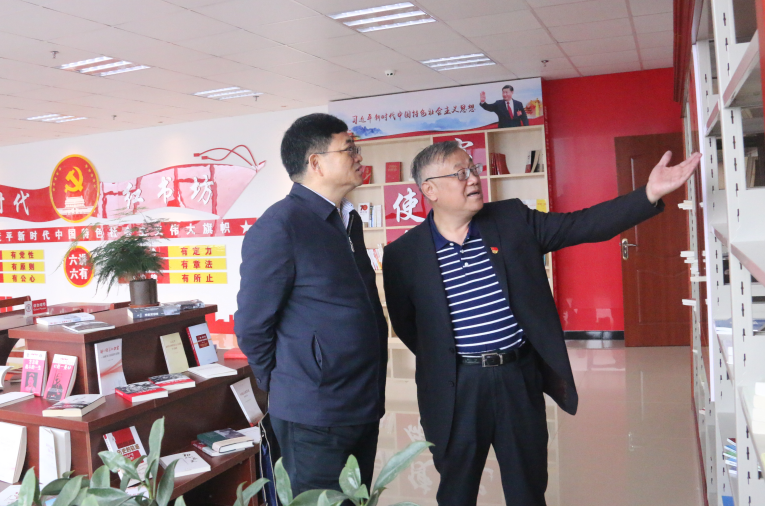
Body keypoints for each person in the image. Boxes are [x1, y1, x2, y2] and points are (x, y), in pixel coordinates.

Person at [382, 141, 701, 506]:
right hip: (456, 387)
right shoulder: (403, 255)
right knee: (456, 491)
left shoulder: (511, 220)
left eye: (473, 168)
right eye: (460, 173)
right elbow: (410, 326)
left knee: (528, 489)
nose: (473, 179)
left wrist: (648, 194)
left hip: (517, 378)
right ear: (430, 190)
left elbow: (582, 225)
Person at [235, 113, 388, 496]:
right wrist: (287, 382)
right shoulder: (281, 226)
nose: (358, 156)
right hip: (313, 415)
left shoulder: (347, 220)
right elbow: (252, 326)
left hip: (360, 402)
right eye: (349, 149)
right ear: (316, 162)